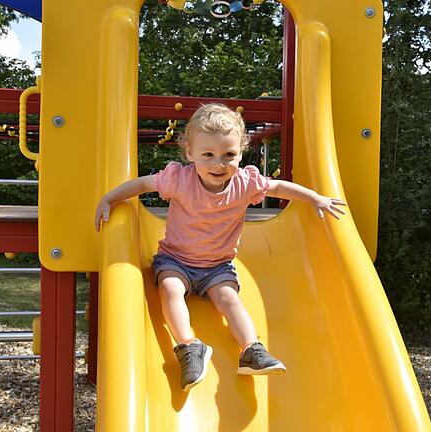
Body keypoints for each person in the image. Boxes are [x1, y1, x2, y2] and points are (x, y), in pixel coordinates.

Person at [94, 103, 346, 391]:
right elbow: (141, 185)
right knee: (170, 289)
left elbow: (277, 187)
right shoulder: (179, 179)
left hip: (217, 265)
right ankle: (189, 346)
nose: (219, 164)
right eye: (208, 155)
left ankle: (251, 349)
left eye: (229, 155)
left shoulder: (245, 183)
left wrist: (315, 198)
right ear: (190, 153)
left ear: (241, 152)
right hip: (176, 259)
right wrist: (109, 199)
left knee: (228, 299)